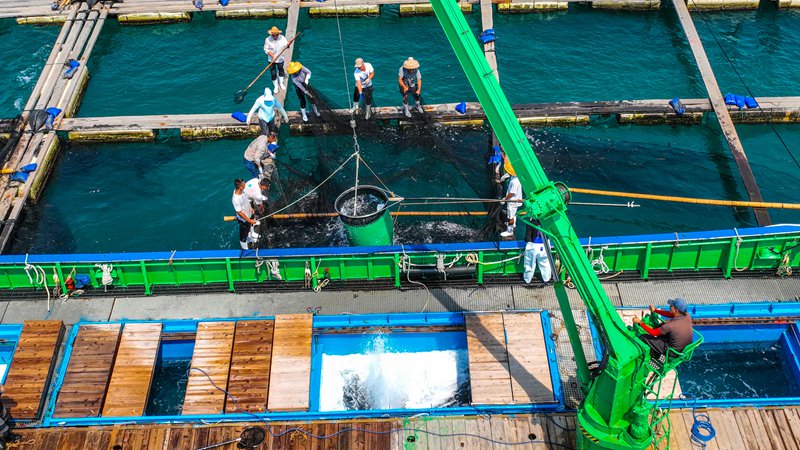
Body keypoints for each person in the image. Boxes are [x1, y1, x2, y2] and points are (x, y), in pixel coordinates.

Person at [500, 158, 522, 238]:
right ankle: (513, 223)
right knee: (513, 213)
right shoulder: (516, 176)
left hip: (512, 202)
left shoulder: (514, 182)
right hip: (517, 200)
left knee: (510, 216)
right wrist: (505, 176)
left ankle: (510, 231)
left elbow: (512, 193)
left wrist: (504, 199)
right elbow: (510, 174)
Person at [232, 178, 257, 250]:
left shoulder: (241, 191)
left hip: (249, 213)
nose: (245, 184)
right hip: (244, 220)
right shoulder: (236, 199)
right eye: (244, 184)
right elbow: (239, 213)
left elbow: (245, 200)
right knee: (243, 237)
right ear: (241, 187)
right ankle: (245, 248)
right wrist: (249, 220)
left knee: (249, 228)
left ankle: (249, 238)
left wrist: (250, 208)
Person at [264, 26, 289, 94]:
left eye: (276, 35)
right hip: (271, 60)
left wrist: (288, 45)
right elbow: (266, 50)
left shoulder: (282, 38)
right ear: (271, 34)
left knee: (281, 71)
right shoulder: (267, 39)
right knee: (273, 73)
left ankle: (281, 84)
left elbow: (286, 46)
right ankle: (276, 86)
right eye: (273, 35)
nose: (275, 37)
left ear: (278, 34)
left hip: (280, 59)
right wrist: (273, 56)